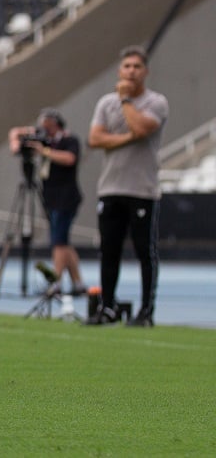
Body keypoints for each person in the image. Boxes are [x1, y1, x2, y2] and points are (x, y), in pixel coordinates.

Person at [85, 45, 169, 327]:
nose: (131, 71)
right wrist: (127, 138)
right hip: (110, 187)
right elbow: (95, 139)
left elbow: (142, 128)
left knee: (145, 251)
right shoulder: (104, 103)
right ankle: (107, 307)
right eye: (127, 66)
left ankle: (146, 311)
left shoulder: (156, 102)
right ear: (120, 71)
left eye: (136, 67)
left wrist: (125, 102)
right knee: (109, 251)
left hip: (142, 189)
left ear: (145, 72)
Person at [8, 108, 86, 296]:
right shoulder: (44, 140)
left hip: (65, 197)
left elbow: (70, 159)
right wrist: (29, 133)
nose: (45, 129)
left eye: (48, 125)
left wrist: (45, 151)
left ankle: (56, 282)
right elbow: (14, 139)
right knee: (63, 241)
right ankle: (78, 283)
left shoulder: (68, 141)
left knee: (58, 242)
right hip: (50, 196)